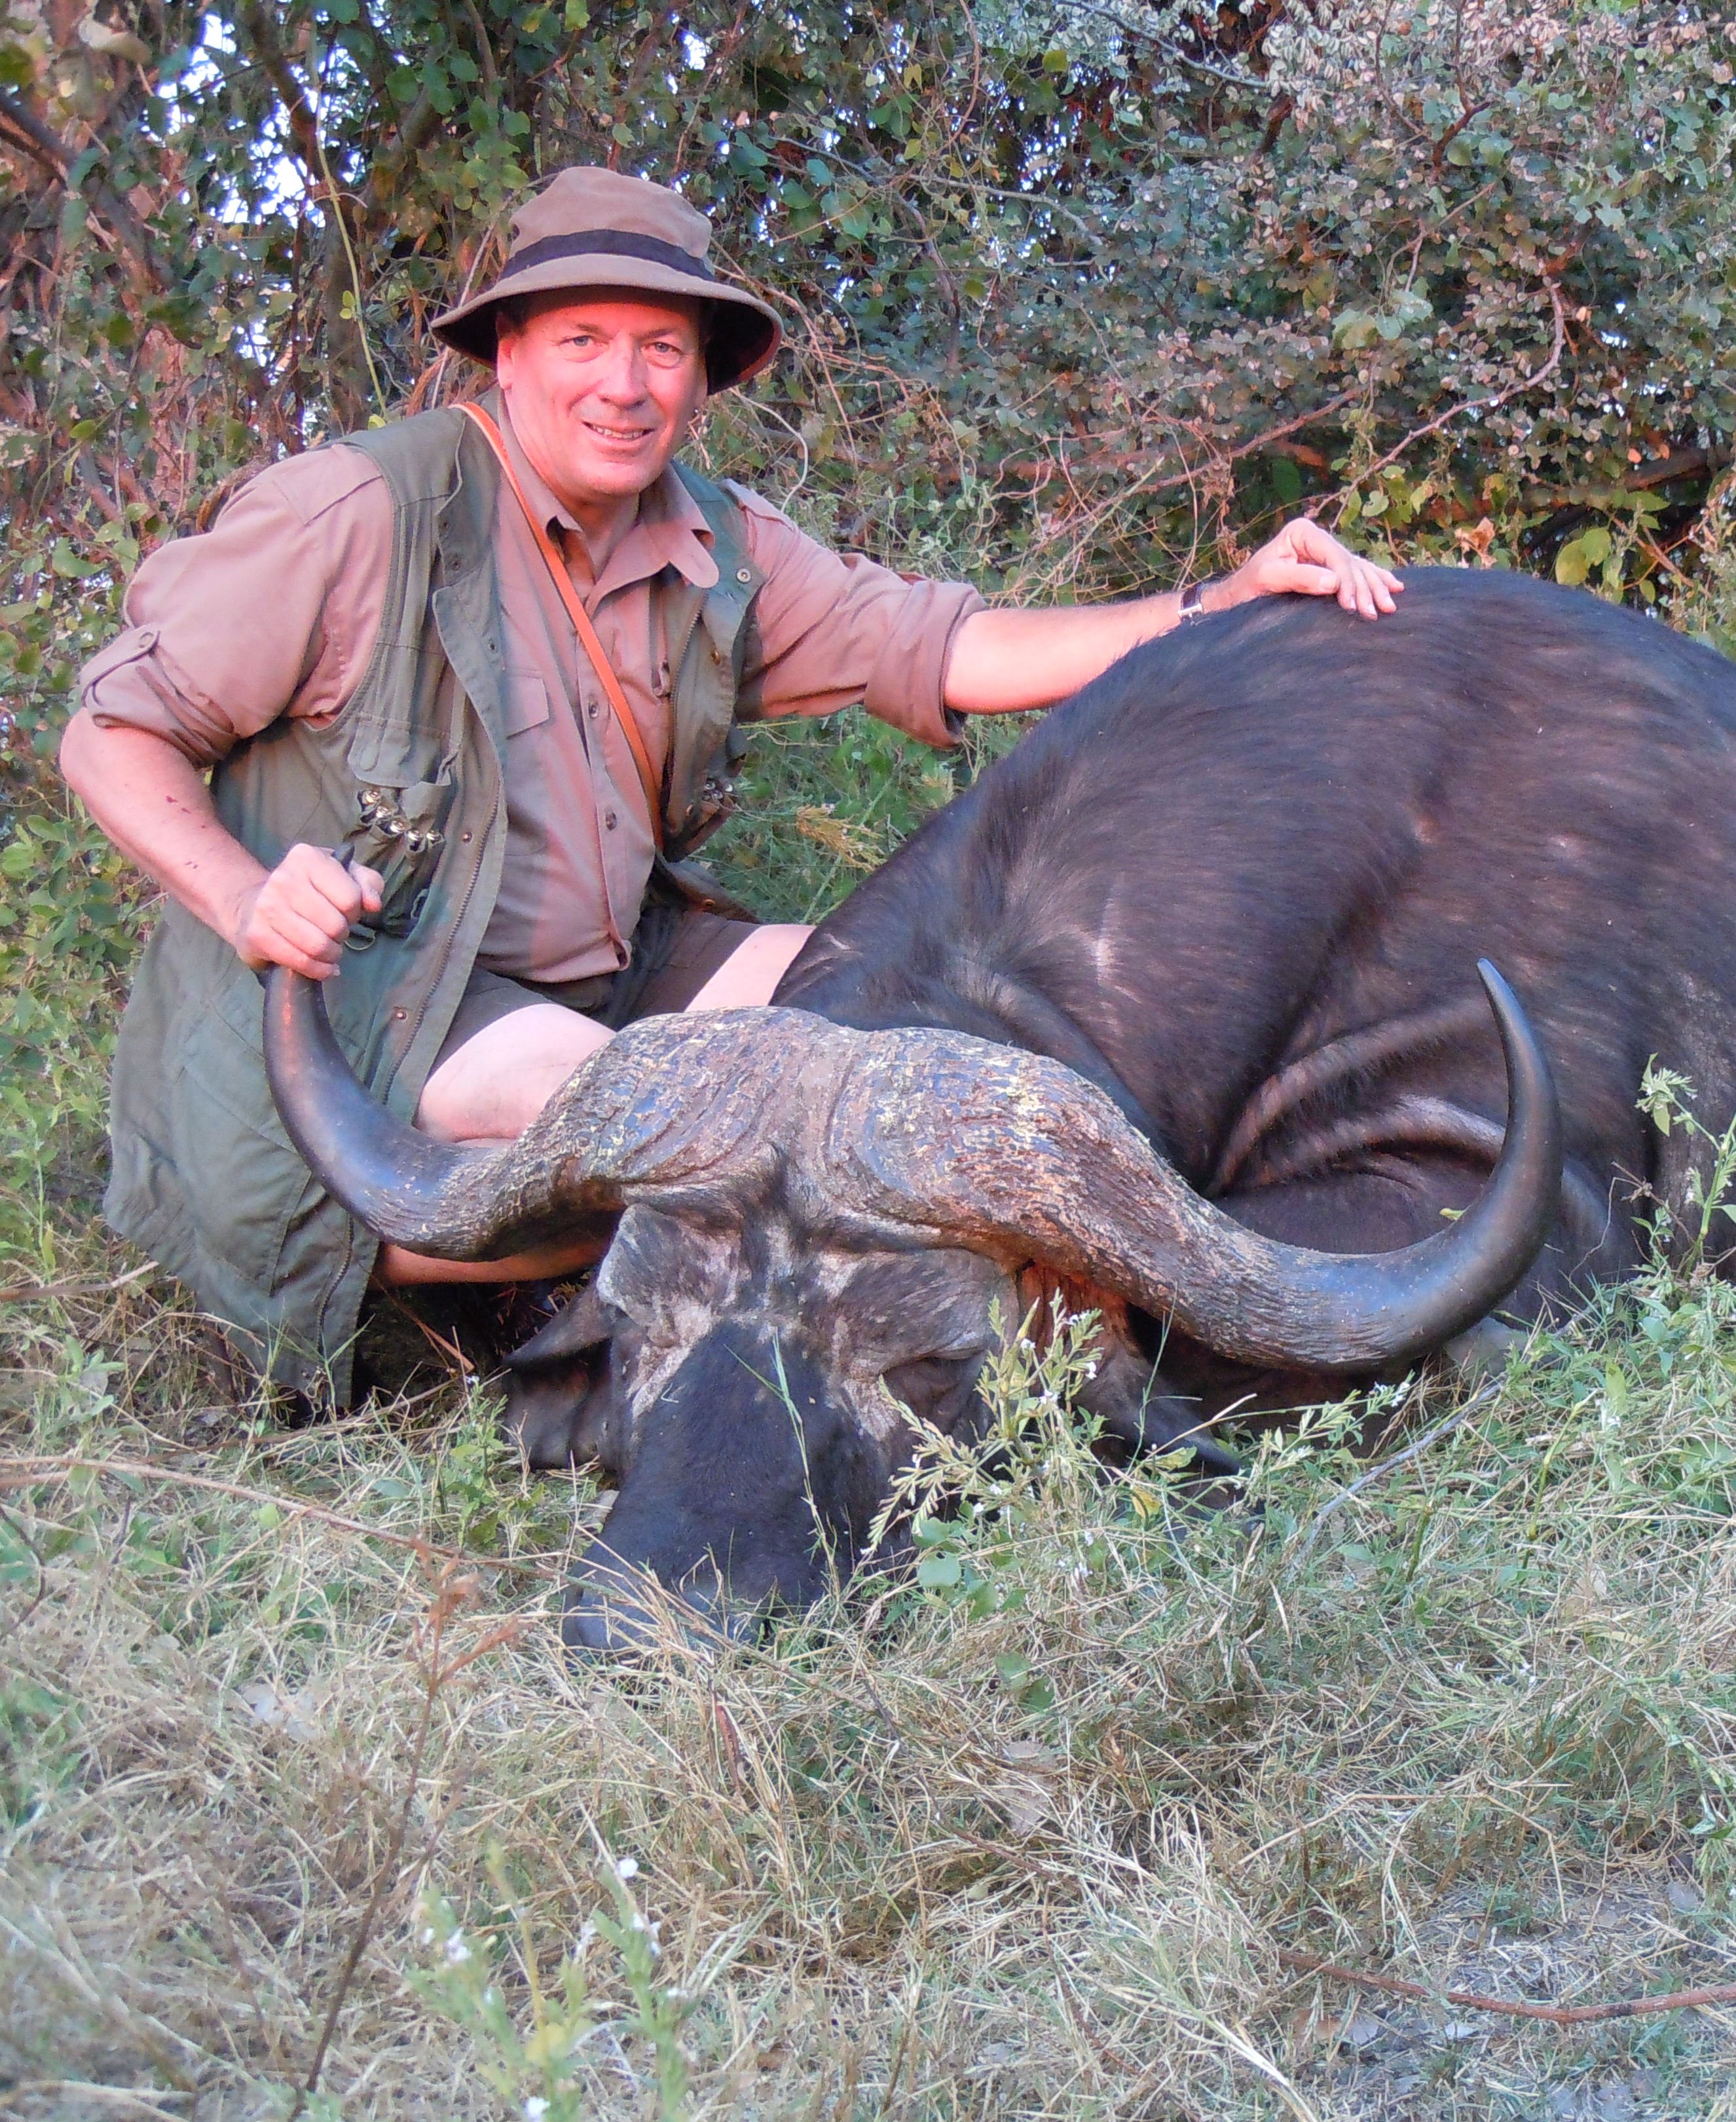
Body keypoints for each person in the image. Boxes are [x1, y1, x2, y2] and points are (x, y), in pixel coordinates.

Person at [58, 165, 1403, 1400]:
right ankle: (627, 1357)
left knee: (916, 1023)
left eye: (660, 348)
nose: (623, 385)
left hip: (615, 970)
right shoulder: (354, 513)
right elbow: (110, 733)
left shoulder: (716, 535)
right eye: (581, 340)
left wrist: (1215, 601)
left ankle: (1035, 1361)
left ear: (700, 375)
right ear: (507, 354)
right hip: (384, 992)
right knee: (672, 1123)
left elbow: (945, 644)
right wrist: (246, 899)